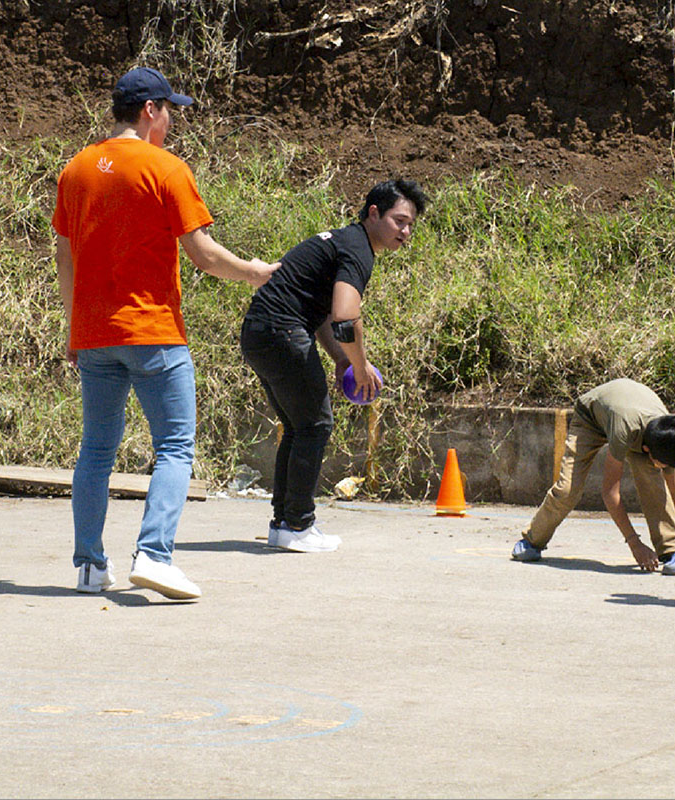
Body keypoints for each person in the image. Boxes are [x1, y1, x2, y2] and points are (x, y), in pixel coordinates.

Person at [53, 67, 279, 600]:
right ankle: (154, 556)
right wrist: (253, 271)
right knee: (175, 447)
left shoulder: (76, 170)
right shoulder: (166, 167)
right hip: (152, 330)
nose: (173, 120)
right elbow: (201, 254)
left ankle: (89, 566)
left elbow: (65, 255)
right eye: (169, 110)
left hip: (95, 334)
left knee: (96, 452)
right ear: (150, 110)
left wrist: (74, 327)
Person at [240, 179, 428, 552]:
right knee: (315, 425)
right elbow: (346, 318)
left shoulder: (344, 241)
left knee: (298, 428)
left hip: (260, 333)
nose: (405, 232)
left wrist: (343, 358)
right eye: (399, 221)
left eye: (410, 225)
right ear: (373, 213)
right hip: (281, 332)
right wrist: (359, 366)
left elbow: (325, 314)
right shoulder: (358, 249)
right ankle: (298, 525)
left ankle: (284, 524)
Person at [510, 378, 675, 574]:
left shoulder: (669, 435)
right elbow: (610, 492)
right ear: (646, 449)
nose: (664, 467)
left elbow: (671, 489)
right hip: (590, 419)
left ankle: (673, 551)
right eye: (661, 463)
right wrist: (635, 544)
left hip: (631, 417)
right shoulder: (624, 431)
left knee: (654, 483)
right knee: (568, 489)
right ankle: (531, 541)